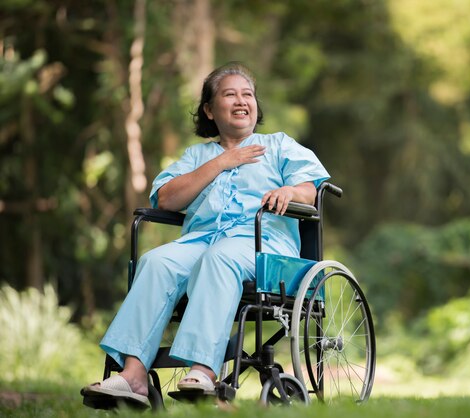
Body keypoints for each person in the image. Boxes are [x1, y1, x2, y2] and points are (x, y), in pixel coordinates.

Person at [81, 62, 330, 407]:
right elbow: (167, 197)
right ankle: (133, 376)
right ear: (210, 110)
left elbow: (312, 188)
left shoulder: (277, 145)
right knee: (157, 261)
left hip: (262, 246)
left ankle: (203, 372)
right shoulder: (197, 156)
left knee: (221, 257)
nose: (242, 101)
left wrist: (290, 192)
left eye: (248, 94)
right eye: (230, 95)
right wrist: (222, 162)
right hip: (199, 243)